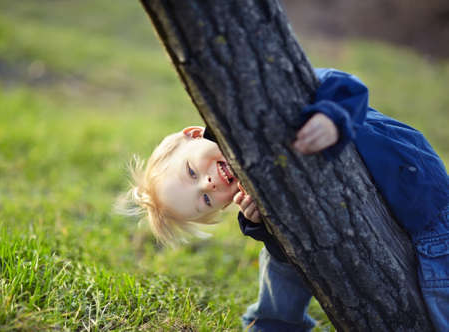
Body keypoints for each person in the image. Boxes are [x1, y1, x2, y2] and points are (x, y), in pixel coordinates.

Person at [117, 68, 449, 331]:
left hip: (422, 200)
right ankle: (275, 322)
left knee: (438, 300)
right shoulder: (253, 195)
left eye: (190, 171)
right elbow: (295, 250)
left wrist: (331, 117)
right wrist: (263, 225)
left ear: (193, 134)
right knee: (278, 258)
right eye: (205, 200)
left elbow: (340, 82)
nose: (208, 183)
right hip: (374, 221)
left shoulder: (253, 111)